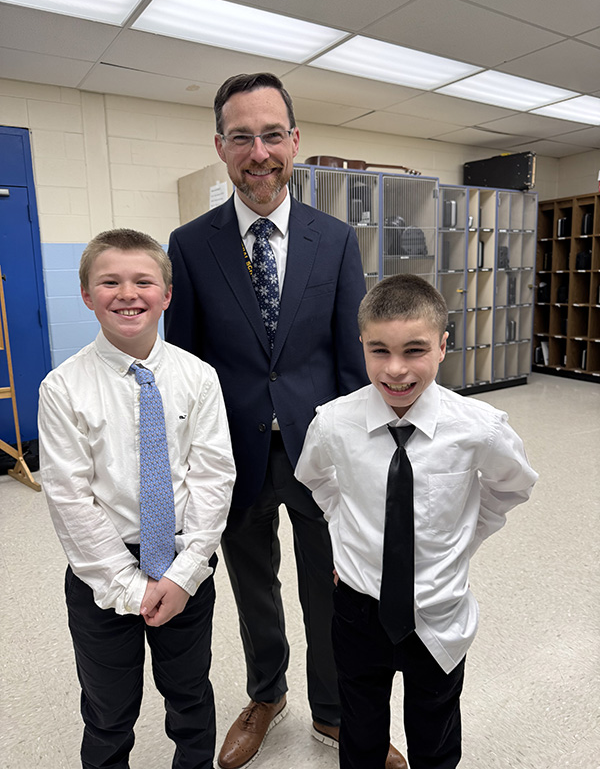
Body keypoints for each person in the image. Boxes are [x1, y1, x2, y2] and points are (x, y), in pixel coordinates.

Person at [165, 73, 406, 769]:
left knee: (331, 591)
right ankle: (267, 694)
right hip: (231, 455)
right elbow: (184, 363)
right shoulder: (190, 243)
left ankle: (333, 711)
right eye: (242, 137)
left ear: (295, 141)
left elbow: (351, 358)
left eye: (273, 134)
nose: (259, 151)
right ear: (220, 146)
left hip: (320, 453)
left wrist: (363, 458)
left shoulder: (334, 239)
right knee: (253, 586)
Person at [295, 273, 539, 769]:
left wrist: (464, 538)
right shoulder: (334, 423)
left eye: (415, 350)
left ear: (444, 346)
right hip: (358, 610)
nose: (396, 369)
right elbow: (316, 479)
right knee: (360, 730)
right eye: (379, 351)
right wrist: (346, 534)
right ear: (360, 344)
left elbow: (513, 486)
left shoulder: (478, 428)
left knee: (435, 729)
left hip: (437, 608)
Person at [38, 229, 236, 769]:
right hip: (100, 572)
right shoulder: (62, 387)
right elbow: (69, 496)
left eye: (143, 281)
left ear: (166, 295)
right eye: (110, 281)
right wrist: (126, 585)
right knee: (107, 708)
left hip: (182, 566)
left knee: (191, 693)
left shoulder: (198, 378)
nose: (128, 293)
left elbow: (214, 477)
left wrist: (183, 574)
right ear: (86, 294)